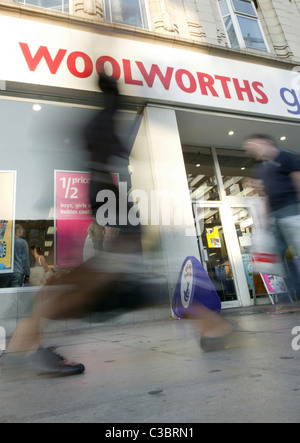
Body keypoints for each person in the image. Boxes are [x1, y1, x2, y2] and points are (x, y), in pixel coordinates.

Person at [1, 74, 235, 379]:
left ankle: (26, 342)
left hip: (111, 206)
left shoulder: (99, 129)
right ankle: (27, 343)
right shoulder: (104, 129)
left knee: (120, 284)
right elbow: (119, 151)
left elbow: (114, 151)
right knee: (123, 283)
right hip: (112, 205)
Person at [243, 134, 300, 300]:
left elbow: (298, 181)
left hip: (292, 210)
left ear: (266, 142)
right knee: (280, 260)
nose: (250, 148)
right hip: (275, 216)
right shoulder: (262, 168)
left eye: (252, 144)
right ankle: (292, 301)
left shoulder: (286, 156)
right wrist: (264, 221)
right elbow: (266, 195)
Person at [0, 224, 30, 288]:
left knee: (3, 295)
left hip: (4, 271)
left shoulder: (6, 241)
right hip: (17, 273)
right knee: (14, 296)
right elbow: (25, 260)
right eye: (22, 231)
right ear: (19, 231)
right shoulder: (23, 243)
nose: (22, 233)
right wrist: (27, 275)